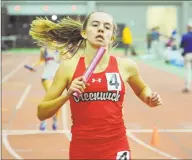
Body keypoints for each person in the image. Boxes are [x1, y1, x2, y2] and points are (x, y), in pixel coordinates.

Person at [29, 12, 162, 159]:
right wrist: (67, 95)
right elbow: (41, 113)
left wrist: (149, 97)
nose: (101, 29)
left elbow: (142, 89)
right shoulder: (68, 68)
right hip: (82, 149)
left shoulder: (126, 66)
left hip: (117, 146)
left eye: (106, 27)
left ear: (111, 37)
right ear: (84, 33)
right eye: (95, 25)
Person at [27, 47, 61, 130]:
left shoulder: (61, 48)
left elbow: (67, 60)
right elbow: (41, 60)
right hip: (46, 77)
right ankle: (43, 120)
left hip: (57, 78)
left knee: (57, 101)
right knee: (51, 97)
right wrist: (33, 66)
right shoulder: (44, 49)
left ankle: (55, 119)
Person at [180, 22, 192, 93]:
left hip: (187, 55)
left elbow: (181, 45)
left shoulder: (185, 36)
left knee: (188, 71)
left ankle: (187, 87)